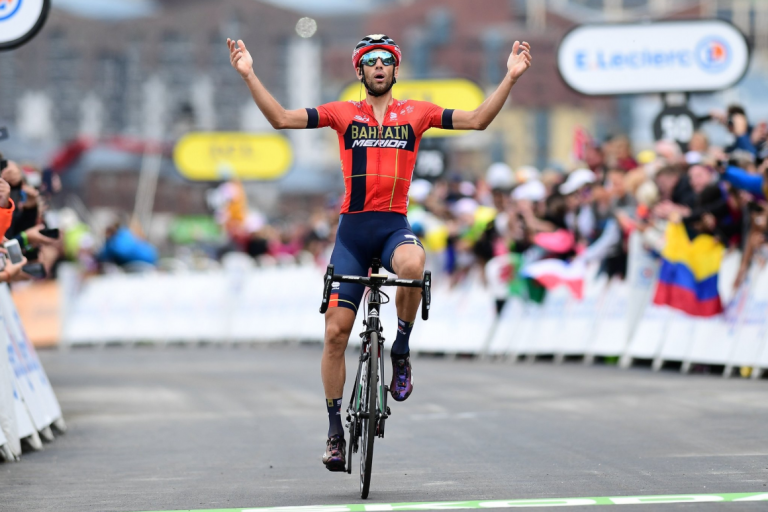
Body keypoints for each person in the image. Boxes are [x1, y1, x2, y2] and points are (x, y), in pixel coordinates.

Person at [228, 33, 532, 471]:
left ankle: (401, 350)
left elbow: (478, 120)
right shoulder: (342, 114)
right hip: (353, 233)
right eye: (369, 60)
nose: (377, 66)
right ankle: (335, 430)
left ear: (394, 69)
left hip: (393, 226)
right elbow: (280, 118)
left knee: (414, 262)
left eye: (385, 60)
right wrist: (249, 74)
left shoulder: (418, 113)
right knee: (335, 334)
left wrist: (510, 78)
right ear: (359, 70)